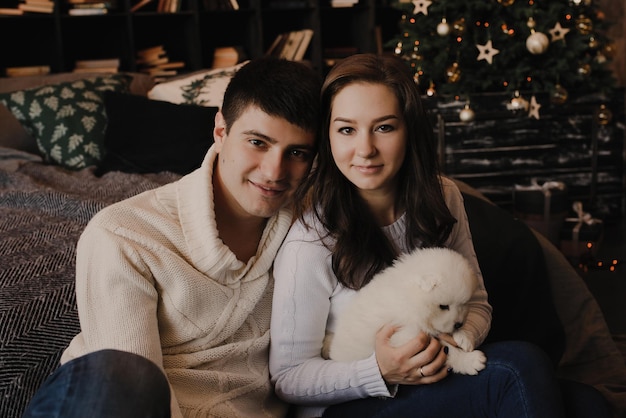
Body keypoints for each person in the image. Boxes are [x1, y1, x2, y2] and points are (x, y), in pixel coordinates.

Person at [268, 53, 610, 417]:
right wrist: (379, 370)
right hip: (353, 404)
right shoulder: (311, 238)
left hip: (438, 377)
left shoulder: (442, 196)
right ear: (328, 135)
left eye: (384, 127)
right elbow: (289, 378)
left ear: (409, 129)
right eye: (347, 129)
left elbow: (476, 303)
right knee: (519, 367)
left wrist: (456, 340)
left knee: (590, 406)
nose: (365, 149)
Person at [22, 56, 321, 418]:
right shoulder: (123, 234)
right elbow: (130, 387)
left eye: (296, 153)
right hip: (117, 404)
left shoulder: (312, 231)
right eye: (257, 142)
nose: (274, 171)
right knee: (122, 374)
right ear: (221, 132)